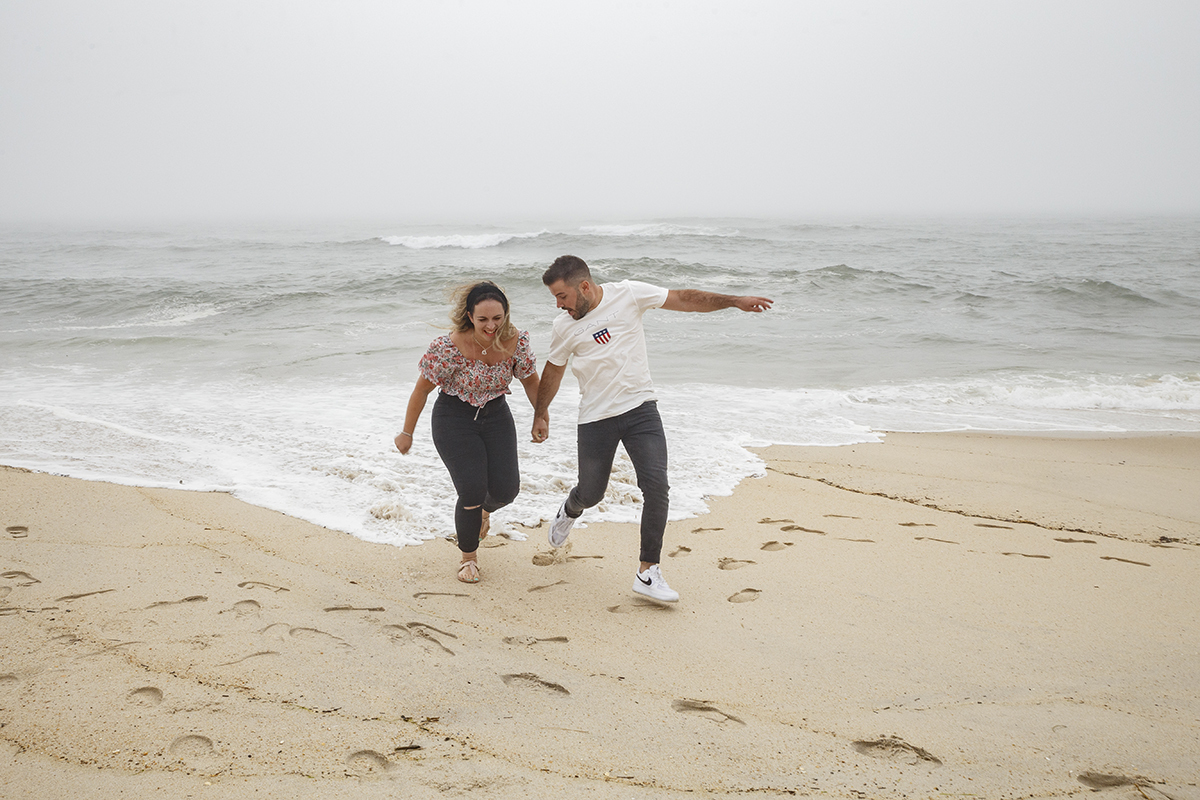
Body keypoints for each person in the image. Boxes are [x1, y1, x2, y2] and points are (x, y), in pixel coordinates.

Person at [531, 255, 772, 602]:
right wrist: (541, 414)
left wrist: (733, 301)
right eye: (555, 299)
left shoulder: (628, 295)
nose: (559, 305)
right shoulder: (564, 326)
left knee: (656, 486)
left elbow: (684, 298)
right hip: (595, 417)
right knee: (592, 493)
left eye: (562, 296)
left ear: (584, 286)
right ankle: (570, 509)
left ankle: (647, 572)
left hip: (641, 409)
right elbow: (553, 370)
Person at [396, 281, 539, 583]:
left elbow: (530, 382)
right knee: (471, 490)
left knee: (506, 490)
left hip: (496, 414)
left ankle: (483, 512)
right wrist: (407, 432)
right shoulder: (447, 348)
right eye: (483, 319)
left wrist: (542, 417)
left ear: (506, 315)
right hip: (454, 418)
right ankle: (468, 558)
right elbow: (421, 391)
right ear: (470, 316)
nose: (491, 326)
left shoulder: (517, 342)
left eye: (497, 318)